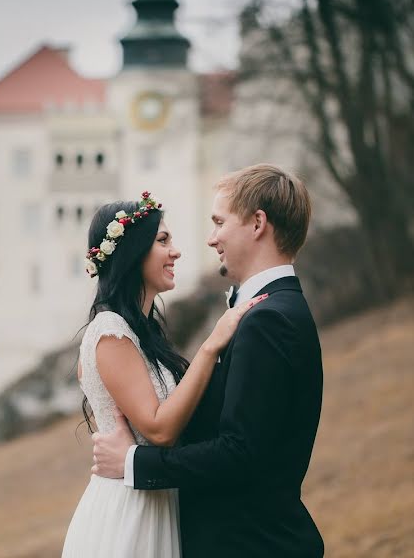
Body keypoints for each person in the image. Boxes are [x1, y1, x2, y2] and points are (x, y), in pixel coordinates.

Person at [92, 165, 325, 557]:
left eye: (219, 223)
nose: (211, 238)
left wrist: (134, 463)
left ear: (257, 224)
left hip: (252, 544)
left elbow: (240, 452)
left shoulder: (268, 318)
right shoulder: (268, 310)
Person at [61, 191, 268, 558]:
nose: (176, 251)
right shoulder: (110, 332)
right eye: (163, 241)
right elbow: (159, 428)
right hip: (129, 512)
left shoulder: (142, 331)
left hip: (157, 501)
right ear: (132, 253)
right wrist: (211, 345)